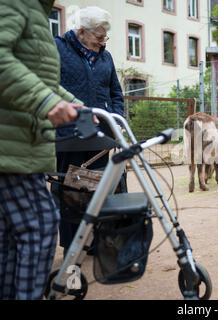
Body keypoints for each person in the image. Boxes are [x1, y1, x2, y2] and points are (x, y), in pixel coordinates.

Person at [0, 0, 83, 299]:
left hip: (22, 144)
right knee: (41, 227)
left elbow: (38, 77)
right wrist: (45, 103)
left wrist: (76, 104)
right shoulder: (15, 3)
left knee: (13, 238)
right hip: (13, 147)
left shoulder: (36, 10)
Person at [54, 6, 125, 254]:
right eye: (98, 35)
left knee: (101, 188)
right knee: (71, 192)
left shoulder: (105, 57)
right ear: (81, 31)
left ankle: (99, 241)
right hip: (69, 134)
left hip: (101, 136)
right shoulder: (59, 48)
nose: (102, 40)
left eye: (105, 35)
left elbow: (116, 92)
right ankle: (72, 247)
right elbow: (50, 88)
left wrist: (116, 118)